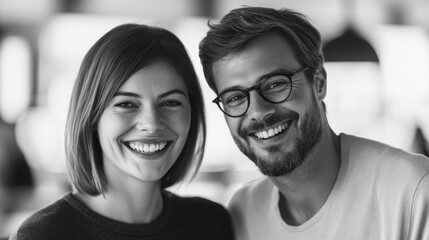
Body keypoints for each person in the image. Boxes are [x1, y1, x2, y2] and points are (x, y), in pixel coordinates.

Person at [199, 6, 429, 240]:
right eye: (235, 98)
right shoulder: (244, 210)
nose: (258, 111)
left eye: (276, 84)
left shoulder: (413, 190)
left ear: (318, 83)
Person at [10, 23, 234, 240]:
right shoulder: (42, 235)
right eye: (126, 104)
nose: (152, 124)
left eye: (171, 103)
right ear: (92, 117)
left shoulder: (212, 223)